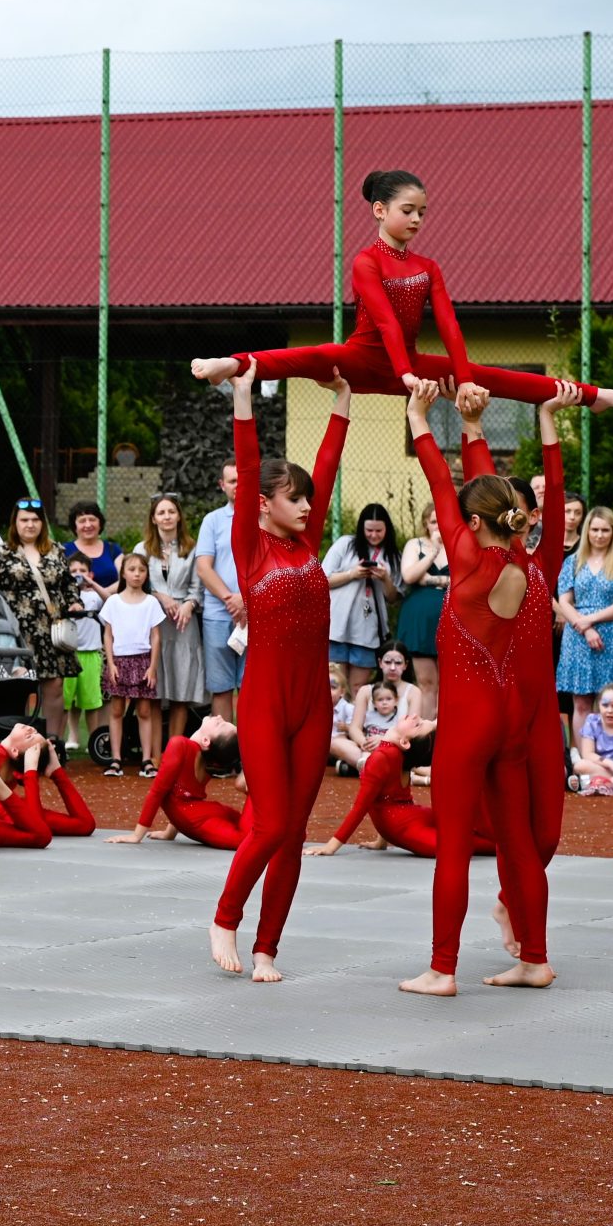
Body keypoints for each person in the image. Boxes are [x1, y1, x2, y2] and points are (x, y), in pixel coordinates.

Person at [194, 170, 613, 414]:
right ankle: (229, 365)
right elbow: (386, 319)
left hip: (411, 366)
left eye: (422, 213)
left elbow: (448, 324)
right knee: (310, 356)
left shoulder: (428, 267)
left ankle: (597, 396)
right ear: (379, 209)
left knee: (498, 378)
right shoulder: (365, 261)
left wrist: (464, 378)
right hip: (365, 359)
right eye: (408, 211)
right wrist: (406, 375)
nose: (416, 220)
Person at [396, 380, 552, 992]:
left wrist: (419, 415)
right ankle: (535, 959)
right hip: (511, 713)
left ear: (471, 519)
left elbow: (440, 481)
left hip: (471, 718)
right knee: (516, 842)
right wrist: (476, 428)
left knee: (455, 843)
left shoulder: (464, 555)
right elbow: (465, 488)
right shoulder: (519, 557)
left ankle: (443, 968)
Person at [209, 362, 351, 983]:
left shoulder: (309, 543)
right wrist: (243, 397)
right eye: (295, 499)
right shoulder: (250, 544)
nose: (306, 506)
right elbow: (249, 466)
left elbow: (325, 468)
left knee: (293, 833)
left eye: (307, 501)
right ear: (264, 504)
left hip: (313, 705)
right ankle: (224, 917)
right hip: (264, 701)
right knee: (268, 824)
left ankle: (268, 947)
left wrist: (343, 402)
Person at [309, 717, 495, 859]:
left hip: (406, 818)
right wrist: (380, 839)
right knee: (460, 845)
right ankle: (506, 844)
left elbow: (369, 804)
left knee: (463, 828)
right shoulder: (391, 754)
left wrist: (332, 845)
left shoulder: (387, 755)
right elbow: (374, 801)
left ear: (405, 742)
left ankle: (505, 841)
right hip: (402, 822)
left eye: (418, 724)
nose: (415, 716)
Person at [0, 496, 75, 733]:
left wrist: (74, 603)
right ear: (15, 523)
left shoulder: (57, 551)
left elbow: (68, 585)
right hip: (16, 629)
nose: (30, 525)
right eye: (24, 519)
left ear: (43, 523)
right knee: (19, 685)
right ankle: (19, 741)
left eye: (35, 520)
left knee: (54, 686)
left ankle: (53, 740)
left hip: (51, 629)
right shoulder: (1, 553)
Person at [113, 716, 246, 847]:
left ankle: (249, 780)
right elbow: (183, 795)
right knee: (253, 834)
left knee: (248, 839)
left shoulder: (180, 745)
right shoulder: (207, 756)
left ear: (206, 741)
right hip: (201, 814)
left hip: (197, 817)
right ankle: (250, 781)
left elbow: (158, 793)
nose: (219, 717)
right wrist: (169, 832)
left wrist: (136, 836)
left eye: (220, 724)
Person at [557, 505, 613, 727]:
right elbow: (564, 601)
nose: (599, 535)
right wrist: (585, 627)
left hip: (612, 635)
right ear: (587, 531)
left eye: (605, 530)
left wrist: (590, 620)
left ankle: (611, 755)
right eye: (595, 530)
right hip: (578, 636)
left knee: (612, 701)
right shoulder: (572, 561)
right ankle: (584, 758)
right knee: (580, 704)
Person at [139, 494, 207, 737]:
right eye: (161, 513)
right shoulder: (142, 549)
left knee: (181, 691)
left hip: (182, 623)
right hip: (153, 624)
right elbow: (138, 584)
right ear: (154, 519)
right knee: (155, 692)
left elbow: (198, 587)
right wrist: (161, 596)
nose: (166, 517)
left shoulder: (193, 549)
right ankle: (155, 755)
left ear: (179, 516)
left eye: (171, 512)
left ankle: (175, 751)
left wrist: (188, 604)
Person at [99, 549, 165, 777]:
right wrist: (111, 663)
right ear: (123, 574)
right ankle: (116, 759)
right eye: (132, 569)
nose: (137, 574)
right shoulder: (113, 602)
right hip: (119, 660)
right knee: (117, 709)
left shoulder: (152, 603)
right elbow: (107, 634)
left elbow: (156, 636)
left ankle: (147, 759)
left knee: (144, 710)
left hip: (143, 660)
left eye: (142, 570)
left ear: (147, 574)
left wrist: (152, 667)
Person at [323, 503, 401, 691]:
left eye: (379, 530)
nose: (374, 535)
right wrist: (352, 574)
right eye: (369, 530)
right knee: (334, 685)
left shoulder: (393, 556)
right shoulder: (345, 544)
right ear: (361, 527)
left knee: (359, 687)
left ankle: (356, 720)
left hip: (367, 631)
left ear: (387, 530)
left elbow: (393, 598)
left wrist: (384, 579)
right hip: (336, 628)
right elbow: (322, 579)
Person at [194, 461, 246, 722]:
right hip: (218, 615)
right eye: (232, 481)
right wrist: (232, 599)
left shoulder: (266, 518)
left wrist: (246, 601)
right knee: (221, 687)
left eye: (242, 479)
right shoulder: (212, 520)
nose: (238, 485)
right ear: (222, 485)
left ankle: (251, 755)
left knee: (252, 689)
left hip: (256, 615)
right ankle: (224, 754)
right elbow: (204, 567)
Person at [395, 504, 447, 718]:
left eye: (441, 521)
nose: (437, 527)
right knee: (426, 683)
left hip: (450, 619)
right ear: (426, 523)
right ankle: (426, 737)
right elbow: (409, 576)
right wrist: (433, 551)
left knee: (448, 683)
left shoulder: (459, 545)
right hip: (420, 622)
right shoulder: (415, 545)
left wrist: (430, 580)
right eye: (433, 522)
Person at [61, 551, 107, 754]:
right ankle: (71, 737)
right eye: (73, 571)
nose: (78, 574)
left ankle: (93, 739)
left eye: (83, 571)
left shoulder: (94, 596)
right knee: (68, 701)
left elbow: (110, 599)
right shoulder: (63, 595)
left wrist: (91, 584)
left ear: (90, 573)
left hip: (90, 653)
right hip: (69, 652)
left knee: (91, 700)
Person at [64, 501, 121, 594]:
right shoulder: (64, 550)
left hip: (109, 604)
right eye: (82, 521)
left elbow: (125, 579)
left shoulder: (113, 549)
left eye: (92, 519)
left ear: (100, 523)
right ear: (75, 526)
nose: (88, 525)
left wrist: (101, 593)